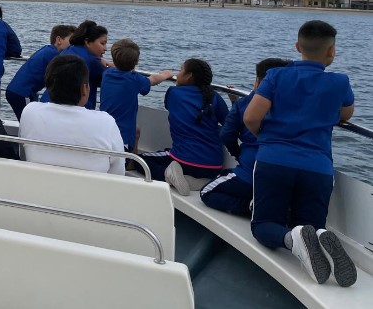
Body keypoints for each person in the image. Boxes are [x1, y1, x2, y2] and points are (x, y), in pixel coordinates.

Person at [244, 21, 357, 287]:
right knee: (312, 225)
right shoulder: (340, 82)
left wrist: (266, 139)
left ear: (297, 47)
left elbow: (250, 117)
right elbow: (346, 114)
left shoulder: (276, 76)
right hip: (318, 167)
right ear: (331, 51)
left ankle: (291, 239)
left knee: (263, 225)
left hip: (274, 160)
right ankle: (316, 238)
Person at [199, 58, 291, 217]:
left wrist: (238, 155)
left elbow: (226, 135)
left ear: (258, 81)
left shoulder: (244, 104)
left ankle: (249, 207)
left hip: (250, 176)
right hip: (286, 180)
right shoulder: (295, 107)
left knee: (206, 191)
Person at [19, 54, 126, 174]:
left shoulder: (30, 112)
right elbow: (118, 173)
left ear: (48, 86)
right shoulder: (106, 122)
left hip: (38, 184)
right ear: (84, 89)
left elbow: (24, 157)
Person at [138, 58, 228, 196]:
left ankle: (168, 174)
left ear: (189, 76)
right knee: (168, 154)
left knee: (138, 161)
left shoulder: (173, 93)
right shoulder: (215, 97)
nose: (177, 74)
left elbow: (170, 106)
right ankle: (192, 181)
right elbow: (229, 123)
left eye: (180, 70)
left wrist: (170, 79)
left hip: (184, 162)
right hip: (213, 166)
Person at [99, 39, 173, 152]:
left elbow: (118, 69)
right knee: (127, 145)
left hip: (105, 128)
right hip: (122, 133)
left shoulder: (107, 74)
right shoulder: (135, 79)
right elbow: (153, 79)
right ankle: (131, 160)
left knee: (136, 131)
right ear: (136, 61)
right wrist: (165, 75)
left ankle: (131, 161)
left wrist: (115, 65)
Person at [5, 24, 75, 120]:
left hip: (18, 91)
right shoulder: (55, 55)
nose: (73, 45)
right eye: (71, 41)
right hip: (22, 93)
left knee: (30, 121)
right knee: (30, 122)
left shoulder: (47, 49)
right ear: (59, 40)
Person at [49, 20, 109, 109]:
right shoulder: (91, 61)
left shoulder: (69, 49)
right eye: (102, 43)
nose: (105, 48)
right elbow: (110, 78)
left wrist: (99, 60)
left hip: (52, 103)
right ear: (87, 42)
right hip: (77, 109)